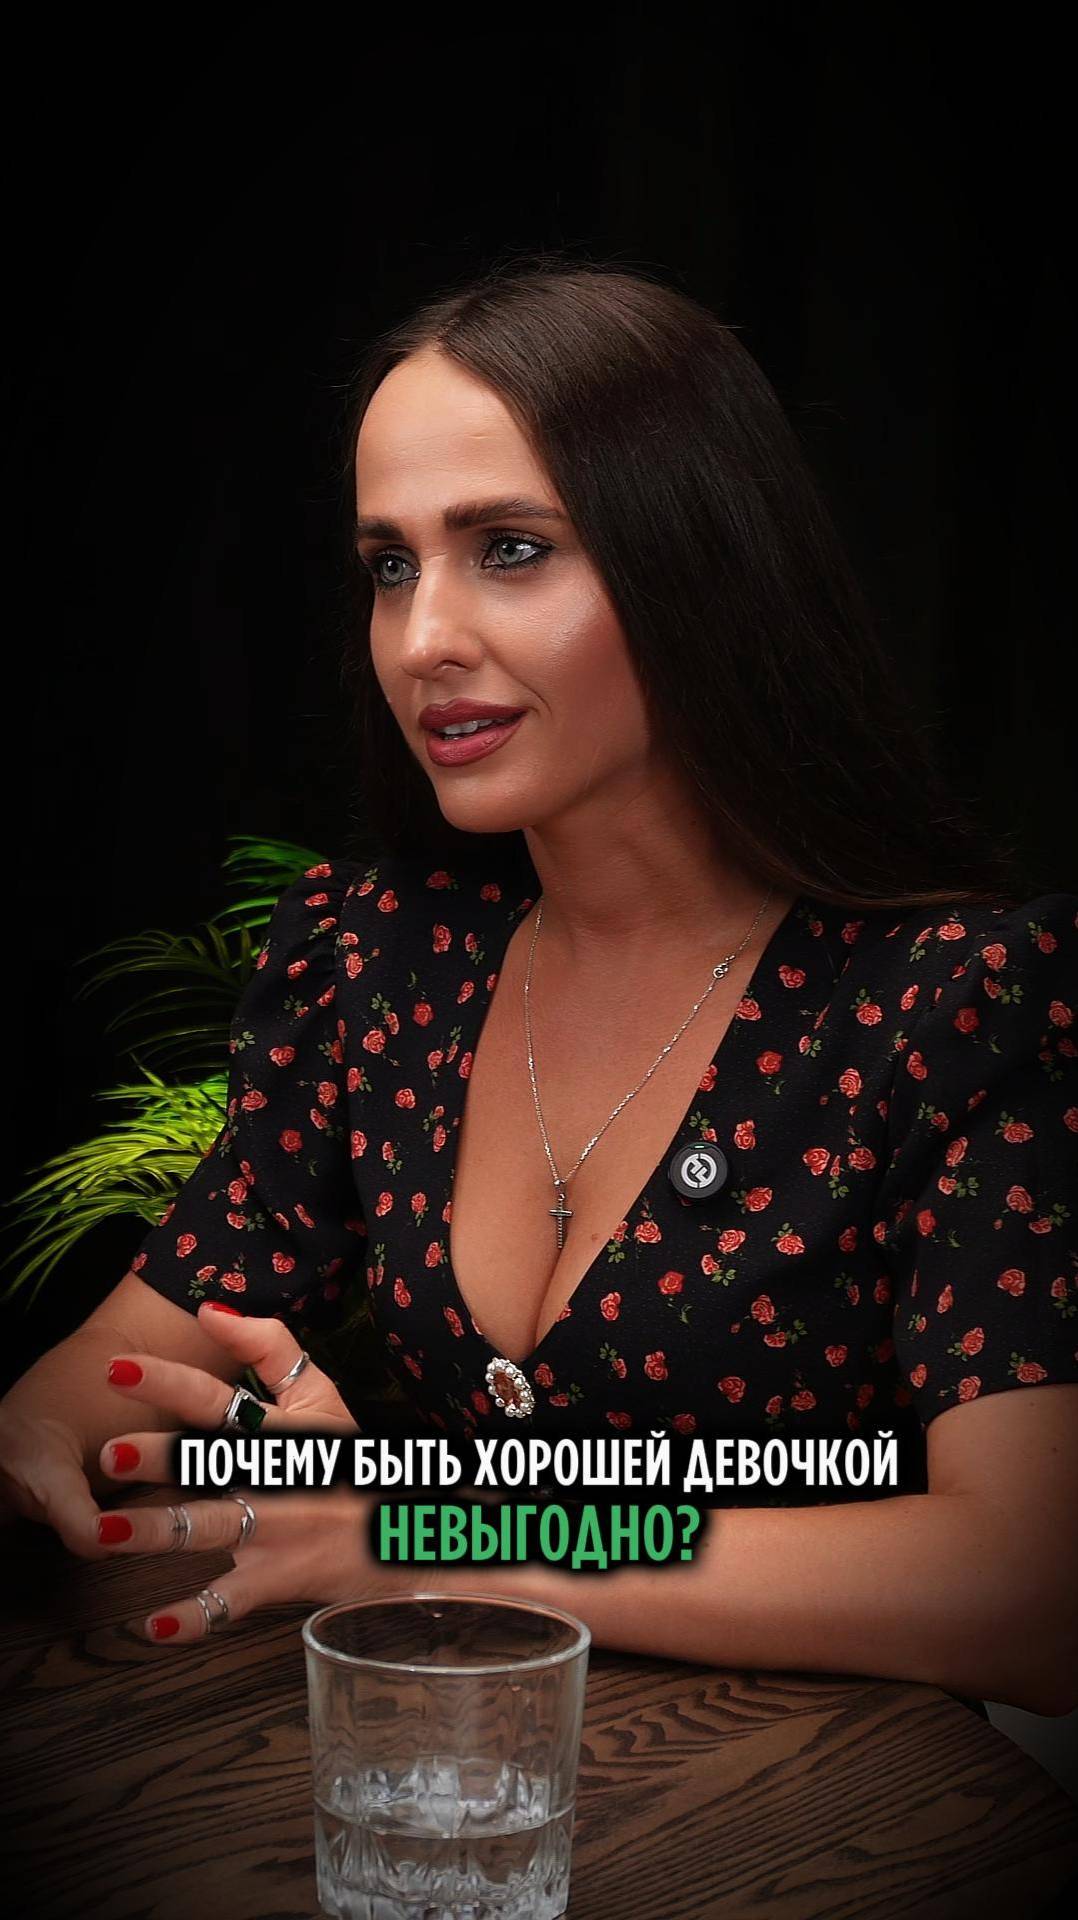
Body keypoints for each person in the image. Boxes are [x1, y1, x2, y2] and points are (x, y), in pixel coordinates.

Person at [2, 255, 1075, 1714]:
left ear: (698, 564)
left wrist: (431, 1536)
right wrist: (47, 1430)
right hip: (458, 1754)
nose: (423, 639)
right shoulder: (384, 958)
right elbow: (140, 1343)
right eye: (391, 565)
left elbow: (1030, 1590)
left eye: (508, 548)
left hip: (842, 1806)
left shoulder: (956, 1002)